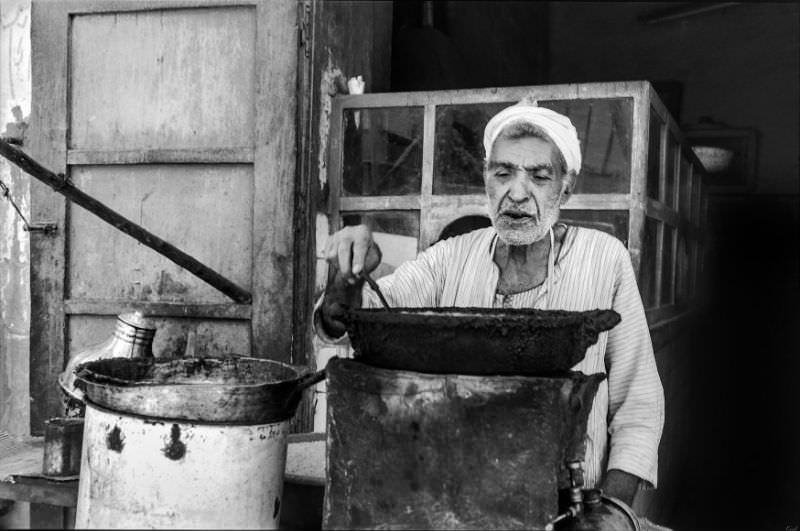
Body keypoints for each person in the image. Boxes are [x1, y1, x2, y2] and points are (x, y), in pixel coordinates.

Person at [316, 100, 664, 507]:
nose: (516, 193)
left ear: (565, 187)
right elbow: (355, 322)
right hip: (454, 501)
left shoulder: (605, 260)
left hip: (567, 504)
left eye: (538, 176)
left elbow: (638, 407)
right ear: (486, 180)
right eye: (503, 173)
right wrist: (347, 278)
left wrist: (606, 513)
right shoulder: (449, 257)